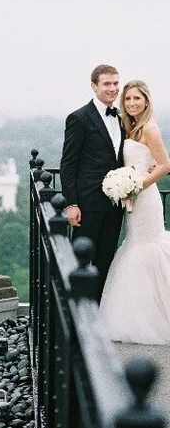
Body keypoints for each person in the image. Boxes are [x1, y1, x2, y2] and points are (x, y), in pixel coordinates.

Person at [99, 80, 170, 344]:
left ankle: (156, 317)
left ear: (146, 101)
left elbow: (164, 165)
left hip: (145, 199)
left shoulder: (150, 128)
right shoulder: (129, 126)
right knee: (134, 246)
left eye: (136, 99)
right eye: (127, 99)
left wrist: (136, 187)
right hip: (132, 201)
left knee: (147, 250)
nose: (131, 104)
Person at [60, 64, 125, 301]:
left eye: (116, 83)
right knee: (82, 261)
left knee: (106, 257)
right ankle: (76, 313)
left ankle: (96, 310)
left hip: (115, 205)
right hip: (87, 205)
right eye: (107, 84)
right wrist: (72, 204)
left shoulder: (120, 116)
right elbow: (68, 164)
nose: (113, 88)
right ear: (94, 86)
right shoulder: (79, 118)